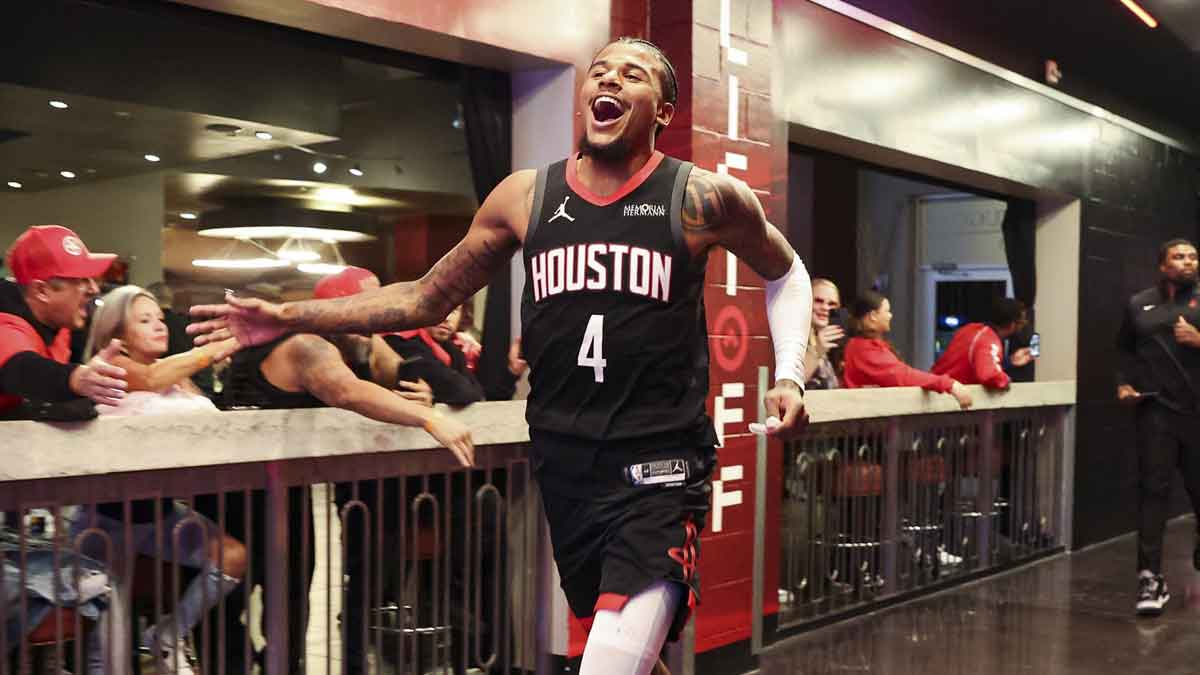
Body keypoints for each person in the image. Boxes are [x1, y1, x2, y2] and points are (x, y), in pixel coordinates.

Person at [190, 36, 810, 675]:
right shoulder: (525, 198)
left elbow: (784, 273)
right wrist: (289, 314)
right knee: (624, 651)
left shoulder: (700, 198)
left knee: (607, 662)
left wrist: (789, 374)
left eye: (633, 76)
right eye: (600, 72)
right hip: (567, 462)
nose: (612, 81)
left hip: (660, 466)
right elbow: (423, 299)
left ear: (661, 110)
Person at [72, 285, 245, 675]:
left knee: (232, 556)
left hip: (161, 512)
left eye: (161, 319)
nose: (159, 326)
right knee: (108, 649)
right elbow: (148, 379)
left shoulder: (178, 378)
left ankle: (169, 635)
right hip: (106, 519)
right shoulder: (116, 366)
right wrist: (215, 348)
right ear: (117, 334)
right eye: (145, 320)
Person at [1115, 238, 1200, 616]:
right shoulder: (1139, 304)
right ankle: (1149, 577)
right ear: (1162, 265)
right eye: (1179, 257)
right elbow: (1124, 350)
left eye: (1193, 257)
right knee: (1153, 493)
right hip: (1156, 412)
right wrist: (1123, 383)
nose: (1188, 262)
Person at [0, 225, 128, 420]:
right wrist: (74, 378)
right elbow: (22, 369)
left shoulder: (59, 325)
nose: (94, 289)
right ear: (42, 291)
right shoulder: (6, 324)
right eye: (81, 280)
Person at [843, 290, 973, 409]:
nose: (890, 316)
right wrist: (948, 384)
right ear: (873, 316)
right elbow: (902, 375)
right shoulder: (863, 349)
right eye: (887, 311)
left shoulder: (862, 346)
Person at [380, 305, 486, 405]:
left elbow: (477, 394)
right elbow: (460, 391)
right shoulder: (402, 340)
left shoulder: (453, 350)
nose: (447, 318)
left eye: (454, 310)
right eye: (438, 307)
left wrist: (435, 395)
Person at [932, 297, 1034, 390]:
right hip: (946, 396)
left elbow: (973, 364)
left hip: (937, 390)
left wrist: (1010, 361)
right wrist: (1008, 383)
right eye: (1022, 323)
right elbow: (989, 376)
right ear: (1012, 325)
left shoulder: (970, 329)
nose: (1022, 327)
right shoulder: (989, 340)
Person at [804, 278, 843, 390]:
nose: (825, 308)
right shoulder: (794, 338)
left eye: (832, 304)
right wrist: (816, 352)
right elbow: (791, 386)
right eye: (818, 301)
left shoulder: (822, 341)